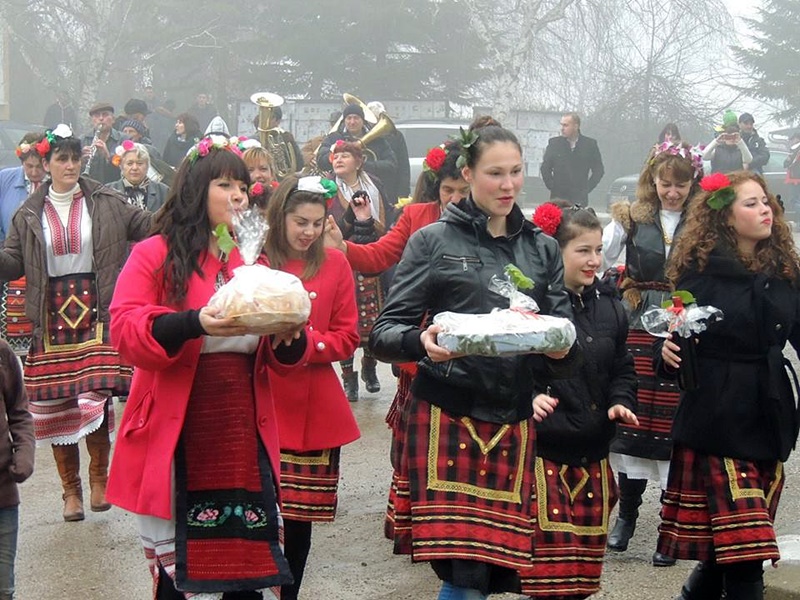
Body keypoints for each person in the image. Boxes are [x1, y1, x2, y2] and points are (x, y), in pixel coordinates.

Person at [369, 125, 576, 599]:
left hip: (513, 419)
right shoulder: (432, 240)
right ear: (467, 173)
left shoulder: (542, 249)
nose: (508, 185)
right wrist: (421, 341)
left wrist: (562, 350)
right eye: (495, 173)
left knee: (491, 573)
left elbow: (564, 346)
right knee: (463, 571)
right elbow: (383, 334)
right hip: (448, 414)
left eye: (516, 172)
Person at [106, 136, 310, 599]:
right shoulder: (155, 253)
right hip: (181, 422)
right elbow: (124, 327)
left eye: (242, 186)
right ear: (198, 190)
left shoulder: (252, 260)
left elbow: (278, 356)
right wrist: (192, 323)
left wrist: (290, 337)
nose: (239, 195)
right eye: (225, 184)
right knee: (180, 576)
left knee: (247, 568)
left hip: (242, 422)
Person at [658, 170, 800, 600]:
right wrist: (665, 355)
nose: (764, 211)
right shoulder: (698, 277)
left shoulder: (785, 272)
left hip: (768, 417)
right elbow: (675, 345)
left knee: (728, 553)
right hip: (717, 420)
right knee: (746, 555)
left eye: (765, 202)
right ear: (724, 217)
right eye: (751, 203)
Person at [0, 124, 152, 522]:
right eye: (61, 159)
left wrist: (187, 207)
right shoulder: (28, 212)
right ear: (46, 164)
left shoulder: (105, 199)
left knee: (95, 394)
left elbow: (148, 225)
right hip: (50, 313)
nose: (69, 165)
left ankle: (99, 477)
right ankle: (71, 492)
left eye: (74, 158)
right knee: (54, 403)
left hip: (97, 306)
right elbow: (13, 261)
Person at [324, 139, 470, 551]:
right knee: (409, 446)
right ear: (435, 189)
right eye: (447, 191)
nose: (455, 200)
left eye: (462, 191)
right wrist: (343, 247)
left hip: (472, 354)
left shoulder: (493, 223)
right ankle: (417, 525)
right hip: (421, 347)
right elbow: (378, 256)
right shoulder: (417, 216)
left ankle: (457, 526)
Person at [518, 201, 638, 599]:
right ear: (556, 251)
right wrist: (529, 396)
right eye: (583, 250)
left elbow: (622, 367)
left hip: (594, 452)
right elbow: (509, 369)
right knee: (550, 579)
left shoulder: (611, 306)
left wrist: (621, 401)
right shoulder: (530, 308)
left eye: (599, 250)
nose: (594, 261)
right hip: (545, 453)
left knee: (582, 580)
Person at [602, 141, 704, 567]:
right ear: (653, 180)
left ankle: (669, 528)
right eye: (666, 183)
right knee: (635, 418)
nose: (672, 193)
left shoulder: (705, 221)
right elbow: (603, 254)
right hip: (641, 321)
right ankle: (626, 516)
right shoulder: (630, 218)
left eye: (681, 185)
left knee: (674, 425)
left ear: (692, 183)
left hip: (684, 324)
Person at [262, 175, 360, 600]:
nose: (309, 232)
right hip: (260, 399)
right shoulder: (256, 260)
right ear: (279, 217)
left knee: (299, 523)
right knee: (256, 519)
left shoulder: (336, 264)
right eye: (301, 222)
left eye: (318, 223)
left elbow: (347, 337)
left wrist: (307, 341)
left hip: (311, 410)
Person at [329, 140, 396, 402]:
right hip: (343, 258)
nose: (339, 159)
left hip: (374, 256)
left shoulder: (374, 183)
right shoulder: (328, 188)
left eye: (346, 155)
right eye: (336, 155)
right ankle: (349, 378)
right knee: (348, 319)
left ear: (359, 161)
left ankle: (370, 368)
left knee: (373, 317)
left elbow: (388, 214)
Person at [0, 133, 48, 355]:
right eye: (29, 166)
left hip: (44, 260)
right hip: (10, 258)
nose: (35, 172)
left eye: (40, 167)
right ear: (21, 161)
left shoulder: (53, 184)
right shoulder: (5, 179)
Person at [0, 338, 34, 600]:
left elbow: (19, 412)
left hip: (3, 496)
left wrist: (24, 452)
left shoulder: (2, 353)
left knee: (4, 589)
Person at [315, 104, 398, 198]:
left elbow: (391, 165)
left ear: (363, 121)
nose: (352, 122)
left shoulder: (378, 141)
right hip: (340, 191)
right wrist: (340, 155)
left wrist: (361, 165)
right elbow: (321, 161)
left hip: (373, 190)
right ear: (344, 121)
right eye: (349, 118)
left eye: (356, 118)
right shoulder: (333, 137)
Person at [540, 112, 604, 205]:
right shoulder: (554, 144)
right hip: (558, 199)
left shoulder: (589, 145)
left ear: (576, 126)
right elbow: (545, 168)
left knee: (577, 219)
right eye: (561, 125)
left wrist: (587, 189)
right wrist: (552, 186)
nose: (562, 128)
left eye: (565, 125)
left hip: (579, 199)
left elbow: (599, 170)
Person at [108, 142, 169, 212]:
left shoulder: (163, 192)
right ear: (121, 166)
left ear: (147, 166)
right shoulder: (108, 191)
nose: (134, 168)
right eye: (129, 163)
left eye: (140, 163)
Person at [368, 101, 410, 197]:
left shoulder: (395, 135)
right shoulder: (363, 136)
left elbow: (403, 166)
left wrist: (403, 193)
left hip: (390, 187)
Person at [81, 102, 128, 184]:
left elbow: (127, 169)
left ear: (113, 119)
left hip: (116, 189)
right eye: (97, 115)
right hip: (90, 189)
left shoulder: (124, 140)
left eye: (105, 115)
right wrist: (80, 160)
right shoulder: (82, 140)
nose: (101, 118)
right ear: (92, 120)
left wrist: (108, 157)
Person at [242, 146, 278, 210]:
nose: (257, 175)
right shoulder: (237, 203)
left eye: (263, 169)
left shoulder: (281, 201)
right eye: (250, 170)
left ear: (272, 173)